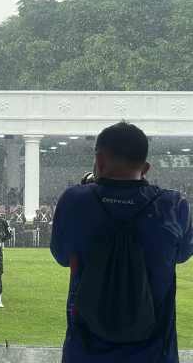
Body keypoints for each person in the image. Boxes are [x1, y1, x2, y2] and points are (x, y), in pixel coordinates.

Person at [51, 122, 193, 363]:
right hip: (155, 351)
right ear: (146, 167)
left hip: (85, 350)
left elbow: (62, 255)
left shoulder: (74, 200)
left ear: (99, 160)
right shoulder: (173, 205)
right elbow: (181, 254)